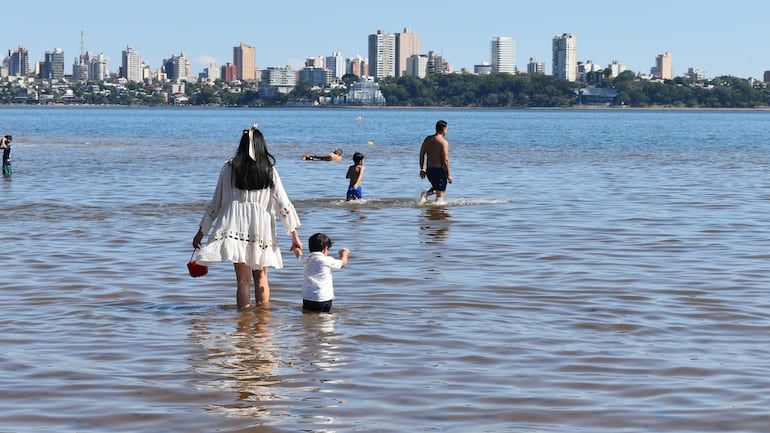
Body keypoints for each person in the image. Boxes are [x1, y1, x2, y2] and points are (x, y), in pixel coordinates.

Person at [192, 124, 302, 309]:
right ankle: (262, 325)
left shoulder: (229, 168)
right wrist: (294, 234)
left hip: (235, 227)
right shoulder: (269, 170)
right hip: (261, 228)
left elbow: (215, 203)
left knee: (242, 281)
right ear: (261, 146)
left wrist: (201, 232)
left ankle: (242, 326)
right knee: (261, 278)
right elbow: (283, 204)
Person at [292, 232, 349, 313]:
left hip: (308, 297)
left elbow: (298, 254)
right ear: (325, 249)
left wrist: (295, 247)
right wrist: (345, 254)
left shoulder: (306, 259)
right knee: (325, 319)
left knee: (308, 316)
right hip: (324, 298)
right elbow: (343, 263)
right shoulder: (327, 260)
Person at [419, 120, 453, 203]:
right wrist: (449, 175)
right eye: (447, 129)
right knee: (440, 196)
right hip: (439, 171)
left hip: (429, 171)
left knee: (436, 188)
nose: (447, 131)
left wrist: (422, 168)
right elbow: (445, 160)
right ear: (443, 129)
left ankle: (425, 195)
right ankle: (438, 213)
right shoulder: (443, 142)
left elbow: (421, 154)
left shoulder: (428, 139)